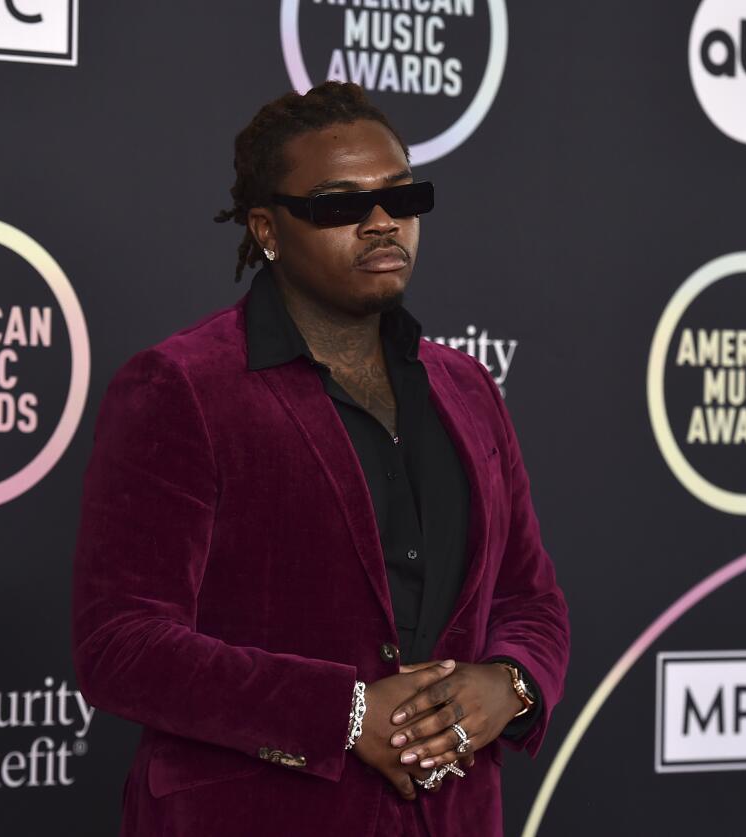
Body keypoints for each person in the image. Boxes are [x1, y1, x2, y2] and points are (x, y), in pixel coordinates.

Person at [71, 81, 570, 836]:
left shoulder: (467, 389)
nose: (381, 224)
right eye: (340, 205)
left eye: (403, 198)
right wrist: (348, 714)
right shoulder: (182, 386)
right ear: (268, 228)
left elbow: (530, 601)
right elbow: (121, 643)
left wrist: (511, 684)